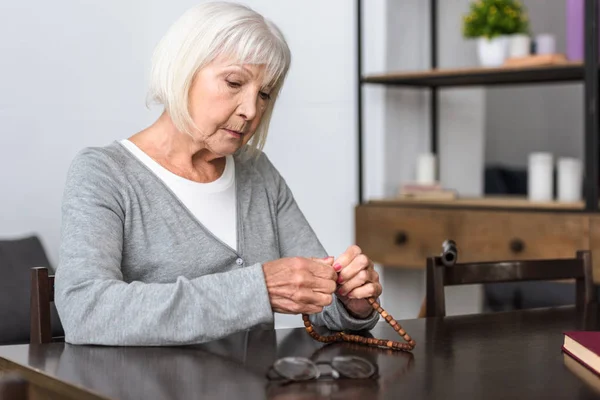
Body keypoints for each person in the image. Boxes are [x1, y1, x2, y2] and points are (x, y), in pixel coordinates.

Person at [54, 1, 382, 346]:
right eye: (234, 82)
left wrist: (352, 304)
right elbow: (85, 311)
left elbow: (322, 301)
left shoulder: (258, 172)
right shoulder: (104, 173)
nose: (251, 110)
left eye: (265, 94)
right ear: (184, 69)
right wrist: (258, 289)